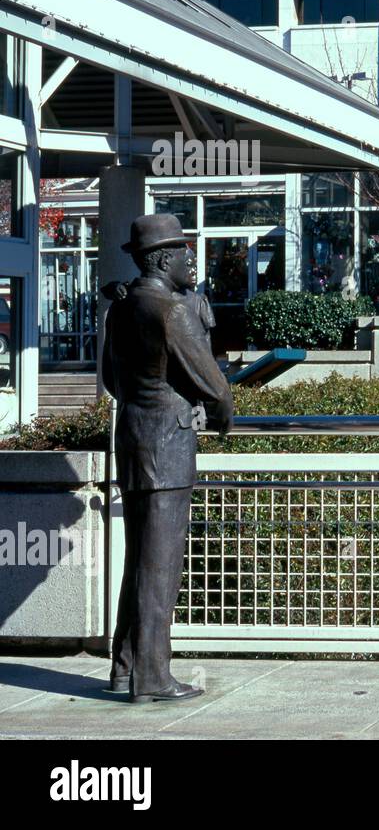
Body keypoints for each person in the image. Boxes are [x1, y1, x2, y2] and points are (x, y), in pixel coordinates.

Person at [102, 214, 234, 704]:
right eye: (183, 253)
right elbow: (214, 385)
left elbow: (114, 382)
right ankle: (153, 677)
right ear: (162, 259)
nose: (190, 262)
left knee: (140, 562)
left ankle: (125, 667)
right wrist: (222, 416)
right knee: (160, 571)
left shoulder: (122, 308)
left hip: (133, 439)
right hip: (169, 445)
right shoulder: (171, 311)